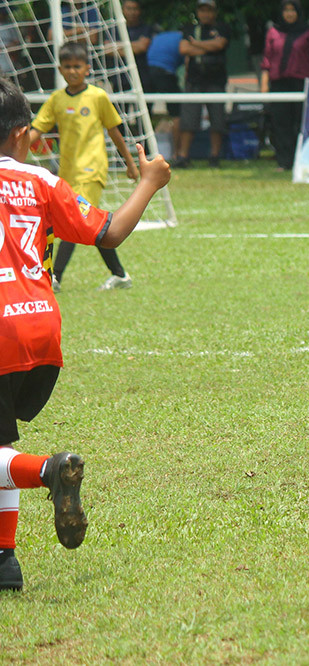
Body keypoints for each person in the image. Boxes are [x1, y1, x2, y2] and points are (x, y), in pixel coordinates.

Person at [0, 75, 171, 591]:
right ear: (23, 135)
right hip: (41, 330)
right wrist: (148, 182)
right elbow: (109, 232)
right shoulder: (40, 182)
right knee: (1, 443)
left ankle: (50, 470)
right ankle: (5, 561)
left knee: (10, 456)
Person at [29, 42, 139, 292]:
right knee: (91, 224)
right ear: (60, 69)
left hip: (92, 170)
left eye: (77, 66)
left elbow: (115, 131)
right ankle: (119, 274)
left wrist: (130, 164)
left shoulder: (97, 96)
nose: (72, 71)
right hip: (67, 173)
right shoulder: (56, 99)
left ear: (87, 68)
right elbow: (37, 130)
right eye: (67, 67)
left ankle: (55, 277)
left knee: (74, 220)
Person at [261, 0, 309, 172]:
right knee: (280, 123)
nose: (289, 14)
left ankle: (302, 161)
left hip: (301, 83)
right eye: (286, 10)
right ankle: (284, 162)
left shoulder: (308, 31)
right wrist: (264, 88)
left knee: (300, 123)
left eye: (292, 10)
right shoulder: (273, 32)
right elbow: (266, 62)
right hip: (278, 84)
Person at [176, 0, 231, 168]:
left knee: (217, 119)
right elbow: (184, 49)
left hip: (216, 80)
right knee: (189, 119)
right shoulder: (189, 29)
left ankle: (214, 157)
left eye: (209, 10)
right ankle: (183, 157)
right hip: (194, 80)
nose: (206, 14)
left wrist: (197, 44)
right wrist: (209, 47)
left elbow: (220, 44)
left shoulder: (222, 27)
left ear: (215, 12)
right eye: (202, 10)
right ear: (198, 12)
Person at [146, 29, 184, 157]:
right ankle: (177, 153)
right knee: (177, 113)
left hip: (148, 72)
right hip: (165, 74)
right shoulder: (184, 39)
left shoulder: (161, 36)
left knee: (145, 112)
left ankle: (145, 151)